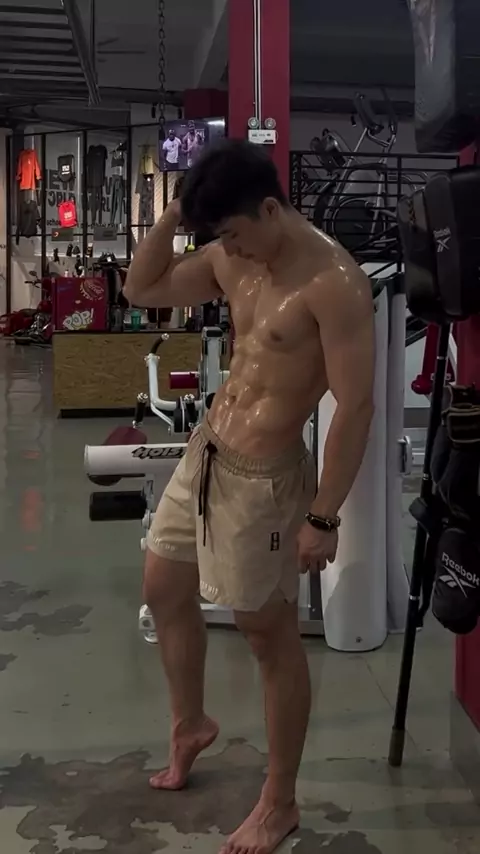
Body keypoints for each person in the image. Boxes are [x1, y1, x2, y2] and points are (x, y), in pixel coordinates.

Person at [124, 139, 375, 854]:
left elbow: (355, 408)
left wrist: (323, 516)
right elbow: (143, 290)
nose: (227, 250)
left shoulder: (335, 284)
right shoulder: (235, 255)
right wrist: (179, 212)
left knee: (267, 636)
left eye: (232, 233)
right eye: (218, 237)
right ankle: (190, 725)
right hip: (208, 449)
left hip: (266, 480)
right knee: (162, 587)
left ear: (270, 209)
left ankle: (280, 801)